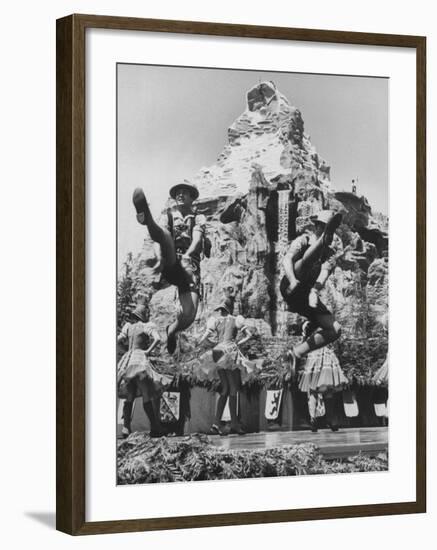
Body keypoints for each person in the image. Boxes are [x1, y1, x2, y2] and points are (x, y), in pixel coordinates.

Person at [133, 181, 206, 354]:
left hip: (190, 268)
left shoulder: (198, 217)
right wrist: (159, 259)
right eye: (178, 193)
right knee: (165, 237)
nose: (180, 195)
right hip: (173, 261)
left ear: (192, 198)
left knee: (190, 314)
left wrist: (189, 255)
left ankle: (171, 331)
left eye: (184, 192)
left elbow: (197, 239)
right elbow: (159, 242)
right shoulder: (169, 215)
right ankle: (146, 218)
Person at [280, 210, 343, 370]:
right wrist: (293, 280)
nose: (322, 228)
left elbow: (324, 273)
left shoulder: (330, 253)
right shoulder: (303, 240)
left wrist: (315, 291)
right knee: (307, 263)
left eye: (327, 229)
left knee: (335, 329)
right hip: (291, 283)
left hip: (306, 293)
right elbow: (287, 259)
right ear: (316, 226)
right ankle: (321, 243)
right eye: (322, 226)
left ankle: (296, 353)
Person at [198, 298, 253, 435]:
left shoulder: (216, 321)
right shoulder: (236, 319)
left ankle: (216, 424)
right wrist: (238, 343)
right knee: (233, 388)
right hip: (230, 352)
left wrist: (209, 345)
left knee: (225, 388)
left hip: (218, 352)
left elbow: (203, 338)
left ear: (221, 309)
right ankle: (234, 423)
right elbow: (249, 335)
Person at [117, 304, 162, 437]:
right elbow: (158, 338)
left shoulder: (128, 327)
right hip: (139, 359)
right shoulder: (145, 326)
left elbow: (119, 340)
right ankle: (154, 427)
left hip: (128, 359)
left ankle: (126, 428)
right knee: (145, 392)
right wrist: (148, 351)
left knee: (130, 393)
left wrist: (124, 351)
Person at [298, 321, 348, 432]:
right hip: (317, 355)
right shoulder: (311, 324)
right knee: (315, 389)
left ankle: (326, 419)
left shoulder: (315, 324)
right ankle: (315, 419)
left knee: (326, 388)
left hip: (323, 355)